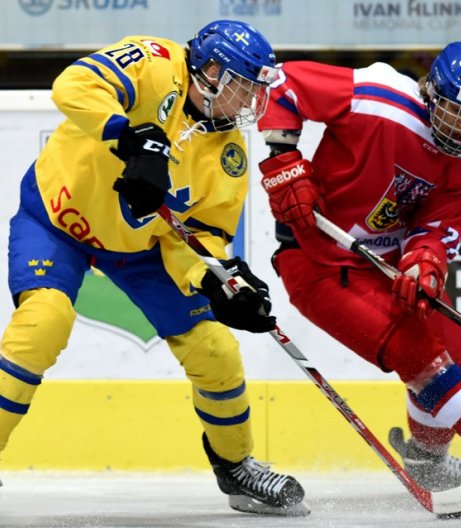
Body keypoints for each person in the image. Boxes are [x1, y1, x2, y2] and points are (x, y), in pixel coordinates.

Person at [0, 20, 308, 517]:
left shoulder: (228, 154)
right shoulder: (154, 63)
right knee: (42, 324)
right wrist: (128, 134)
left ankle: (236, 464)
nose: (251, 101)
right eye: (243, 86)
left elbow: (203, 235)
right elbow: (73, 84)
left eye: (257, 89)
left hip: (143, 249)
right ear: (210, 71)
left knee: (215, 349)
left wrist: (217, 278)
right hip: (57, 218)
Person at [257, 43, 461, 516]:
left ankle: (427, 460)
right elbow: (281, 82)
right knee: (419, 356)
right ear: (433, 95)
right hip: (318, 260)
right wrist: (283, 159)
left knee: (458, 359)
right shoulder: (379, 96)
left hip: (385, 266)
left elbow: (436, 230)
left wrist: (424, 262)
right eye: (459, 111)